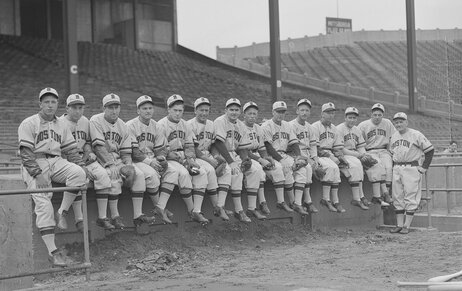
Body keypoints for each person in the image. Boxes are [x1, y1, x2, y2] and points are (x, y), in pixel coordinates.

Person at [18, 87, 87, 266]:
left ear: (58, 105)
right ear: (40, 104)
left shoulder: (61, 124)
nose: (50, 105)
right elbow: (26, 153)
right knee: (43, 203)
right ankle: (52, 251)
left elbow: (71, 150)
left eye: (53, 102)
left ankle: (62, 211)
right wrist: (37, 174)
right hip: (35, 162)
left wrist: (82, 167)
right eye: (46, 102)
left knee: (79, 174)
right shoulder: (29, 123)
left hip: (56, 161)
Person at [90, 93, 155, 229]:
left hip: (117, 159)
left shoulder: (123, 125)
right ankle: (115, 216)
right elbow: (98, 147)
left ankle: (138, 216)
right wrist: (111, 164)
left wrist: (129, 166)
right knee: (113, 175)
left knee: (139, 174)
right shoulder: (96, 120)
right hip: (101, 158)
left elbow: (126, 152)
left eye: (116, 107)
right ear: (104, 108)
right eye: (110, 107)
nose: (114, 111)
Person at [59, 94, 116, 230]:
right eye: (74, 108)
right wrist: (81, 164)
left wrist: (89, 151)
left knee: (103, 175)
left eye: (80, 107)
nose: (78, 111)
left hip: (83, 157)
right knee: (80, 177)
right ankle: (79, 219)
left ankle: (102, 217)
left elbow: (87, 142)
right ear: (67, 108)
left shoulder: (85, 121)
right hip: (67, 158)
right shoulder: (59, 123)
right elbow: (60, 149)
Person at [155, 94, 209, 224]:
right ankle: (192, 211)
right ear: (168, 109)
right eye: (175, 110)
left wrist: (190, 160)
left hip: (182, 157)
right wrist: (182, 160)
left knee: (200, 172)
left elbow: (190, 146)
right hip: (168, 157)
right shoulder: (161, 125)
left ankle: (197, 210)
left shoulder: (185, 124)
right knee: (184, 174)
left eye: (180, 110)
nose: (178, 113)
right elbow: (160, 150)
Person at [126, 95, 175, 223]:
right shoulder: (130, 125)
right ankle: (161, 210)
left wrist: (161, 157)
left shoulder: (157, 125)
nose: (148, 111)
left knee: (172, 171)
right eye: (144, 108)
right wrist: (150, 162)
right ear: (138, 110)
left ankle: (160, 207)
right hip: (137, 161)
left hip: (151, 159)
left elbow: (160, 148)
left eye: (150, 108)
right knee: (152, 175)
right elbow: (133, 152)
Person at [213, 98, 258, 223]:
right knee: (231, 170)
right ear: (226, 110)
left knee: (253, 170)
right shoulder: (220, 121)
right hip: (219, 153)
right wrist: (231, 162)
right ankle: (223, 206)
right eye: (231, 109)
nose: (234, 112)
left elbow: (242, 147)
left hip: (233, 154)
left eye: (236, 110)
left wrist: (245, 159)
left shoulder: (241, 125)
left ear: (240, 111)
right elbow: (218, 143)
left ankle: (248, 209)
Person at [389, 112, 434, 234]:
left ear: (406, 122)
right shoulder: (394, 136)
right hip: (397, 167)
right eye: (396, 122)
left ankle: (406, 226)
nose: (399, 124)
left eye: (401, 121)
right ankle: (399, 225)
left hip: (411, 167)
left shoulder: (415, 134)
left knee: (411, 196)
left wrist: (424, 167)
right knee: (397, 196)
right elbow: (391, 152)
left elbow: (430, 150)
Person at [261, 101, 308, 215]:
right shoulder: (266, 126)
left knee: (302, 168)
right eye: (278, 112)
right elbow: (268, 146)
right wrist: (281, 160)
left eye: (283, 112)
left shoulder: (287, 125)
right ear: (273, 112)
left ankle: (297, 203)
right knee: (286, 168)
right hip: (270, 155)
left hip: (284, 154)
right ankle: (286, 201)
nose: (280, 114)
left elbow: (294, 143)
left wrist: (297, 157)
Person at [242, 101, 287, 219]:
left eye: (254, 114)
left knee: (276, 168)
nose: (252, 116)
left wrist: (267, 157)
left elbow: (262, 148)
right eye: (249, 113)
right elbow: (242, 150)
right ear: (244, 115)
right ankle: (261, 203)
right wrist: (261, 160)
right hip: (246, 156)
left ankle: (280, 201)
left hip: (257, 155)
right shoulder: (241, 127)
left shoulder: (258, 128)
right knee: (259, 172)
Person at [187, 97, 226, 220]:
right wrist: (209, 160)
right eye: (201, 110)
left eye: (206, 110)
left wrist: (215, 156)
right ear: (195, 110)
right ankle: (201, 209)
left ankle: (218, 207)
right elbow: (192, 147)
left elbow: (213, 145)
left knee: (225, 169)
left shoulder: (211, 124)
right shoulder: (189, 125)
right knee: (208, 170)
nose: (204, 113)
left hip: (207, 154)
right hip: (194, 155)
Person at [311, 102, 346, 213]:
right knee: (331, 167)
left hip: (329, 154)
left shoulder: (334, 128)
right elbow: (314, 147)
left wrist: (340, 157)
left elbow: (337, 147)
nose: (331, 115)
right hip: (317, 154)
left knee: (336, 169)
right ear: (322, 114)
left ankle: (335, 201)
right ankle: (325, 199)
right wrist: (331, 156)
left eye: (332, 113)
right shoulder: (315, 126)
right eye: (328, 112)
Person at [358, 103, 394, 206]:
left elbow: (392, 138)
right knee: (379, 166)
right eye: (375, 114)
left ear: (383, 115)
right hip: (370, 150)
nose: (377, 117)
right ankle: (385, 195)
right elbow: (359, 142)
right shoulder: (363, 125)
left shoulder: (387, 123)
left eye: (379, 115)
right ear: (371, 114)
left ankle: (385, 195)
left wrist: (391, 151)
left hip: (383, 150)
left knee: (389, 168)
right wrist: (363, 155)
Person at [289, 98, 319, 214]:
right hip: (294, 154)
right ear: (297, 111)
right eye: (302, 110)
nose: (304, 113)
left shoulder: (310, 127)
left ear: (310, 112)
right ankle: (302, 202)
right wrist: (309, 160)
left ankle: (307, 201)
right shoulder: (291, 125)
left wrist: (315, 159)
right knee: (305, 168)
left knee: (310, 169)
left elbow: (313, 145)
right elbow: (292, 146)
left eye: (307, 110)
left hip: (306, 154)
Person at [336, 107, 370, 210]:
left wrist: (364, 155)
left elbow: (361, 146)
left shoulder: (356, 130)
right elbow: (342, 149)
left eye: (354, 118)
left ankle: (361, 196)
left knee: (360, 165)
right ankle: (357, 198)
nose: (352, 120)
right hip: (342, 154)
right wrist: (359, 155)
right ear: (345, 118)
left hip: (353, 154)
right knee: (355, 165)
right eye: (349, 117)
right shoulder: (339, 129)